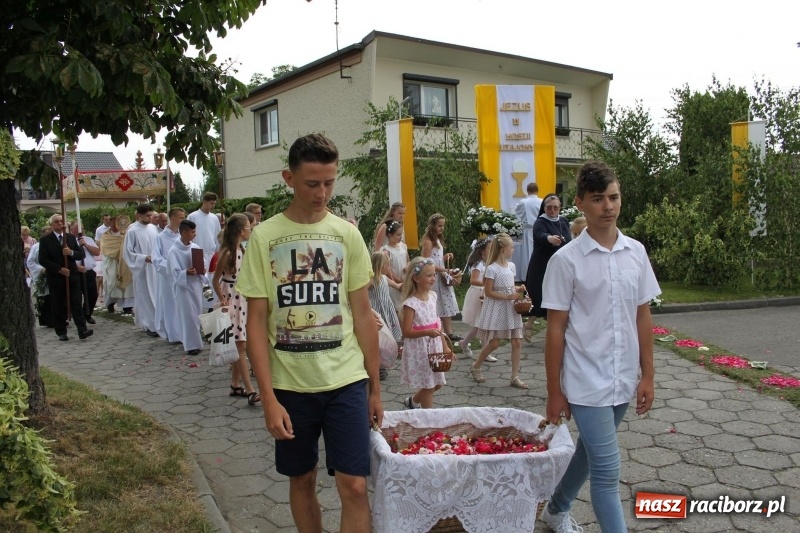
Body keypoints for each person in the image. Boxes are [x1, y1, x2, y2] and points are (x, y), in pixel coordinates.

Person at [236, 133, 381, 533]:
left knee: (353, 485)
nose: (322, 193)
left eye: (330, 182)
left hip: (346, 379)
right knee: (302, 479)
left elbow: (363, 314)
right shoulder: (264, 237)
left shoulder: (346, 234)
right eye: (312, 183)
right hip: (290, 385)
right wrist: (267, 399)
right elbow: (256, 322)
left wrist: (374, 387)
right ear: (289, 177)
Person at [540, 160, 660, 533]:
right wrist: (554, 391)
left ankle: (556, 508)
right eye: (598, 199)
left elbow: (642, 316)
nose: (608, 206)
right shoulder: (565, 261)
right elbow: (555, 330)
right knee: (607, 472)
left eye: (614, 197)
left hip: (623, 378)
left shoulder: (635, 253)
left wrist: (648, 375)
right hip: (584, 381)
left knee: (589, 454)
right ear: (580, 203)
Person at [212, 213, 260, 405]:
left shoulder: (241, 249)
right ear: (241, 231)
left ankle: (235, 384)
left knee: (240, 344)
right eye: (249, 227)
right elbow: (216, 280)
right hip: (232, 298)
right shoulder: (228, 253)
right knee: (240, 345)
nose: (251, 230)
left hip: (243, 297)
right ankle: (250, 390)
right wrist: (223, 298)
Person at [470, 233, 527, 388]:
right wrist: (507, 296)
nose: (513, 250)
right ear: (503, 250)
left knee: (517, 341)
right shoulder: (492, 268)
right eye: (512, 247)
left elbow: (509, 285)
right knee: (495, 343)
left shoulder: (511, 266)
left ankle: (515, 377)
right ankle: (476, 365)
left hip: (511, 308)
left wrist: (517, 288)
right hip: (497, 307)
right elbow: (488, 292)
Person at [399, 257, 448, 409]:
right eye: (429, 275)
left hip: (435, 346)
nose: (433, 278)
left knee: (437, 384)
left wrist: (445, 347)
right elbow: (406, 332)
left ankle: (413, 402)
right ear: (416, 278)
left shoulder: (433, 297)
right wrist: (426, 332)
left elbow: (438, 324)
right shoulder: (411, 303)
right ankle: (428, 419)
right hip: (420, 349)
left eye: (434, 275)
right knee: (428, 386)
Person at [37, 214, 93, 341]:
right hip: (56, 277)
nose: (59, 223)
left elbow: (81, 254)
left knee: (76, 302)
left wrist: (71, 252)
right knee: (58, 305)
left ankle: (82, 330)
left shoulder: (70, 238)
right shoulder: (46, 240)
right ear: (52, 224)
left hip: (72, 276)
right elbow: (43, 259)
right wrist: (59, 269)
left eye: (61, 221)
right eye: (56, 221)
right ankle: (61, 331)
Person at [524, 193, 571, 328]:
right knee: (542, 296)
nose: (552, 211)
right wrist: (550, 239)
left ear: (560, 208)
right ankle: (553, 330)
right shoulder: (540, 221)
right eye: (549, 207)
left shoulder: (563, 221)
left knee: (557, 295)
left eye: (555, 208)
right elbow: (540, 235)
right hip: (542, 265)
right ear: (544, 208)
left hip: (560, 266)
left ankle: (530, 326)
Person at [168, 220, 206, 355]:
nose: (195, 234)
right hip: (183, 288)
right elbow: (173, 273)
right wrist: (185, 273)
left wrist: (202, 269)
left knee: (196, 315)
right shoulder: (174, 251)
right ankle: (191, 346)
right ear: (184, 233)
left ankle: (197, 342)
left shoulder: (195, 247)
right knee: (187, 316)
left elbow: (202, 264)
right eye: (192, 232)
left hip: (195, 285)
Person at [421, 213, 461, 340]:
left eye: (443, 226)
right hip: (434, 277)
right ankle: (438, 330)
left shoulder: (437, 240)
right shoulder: (428, 241)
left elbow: (436, 259)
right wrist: (445, 269)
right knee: (436, 303)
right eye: (439, 226)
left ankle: (449, 332)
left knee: (446, 303)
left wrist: (445, 257)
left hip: (441, 276)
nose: (441, 228)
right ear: (432, 226)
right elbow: (427, 262)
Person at [123, 204, 160, 336]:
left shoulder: (153, 229)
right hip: (142, 269)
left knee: (155, 295)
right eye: (147, 216)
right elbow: (128, 252)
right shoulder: (132, 231)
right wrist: (143, 258)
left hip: (154, 268)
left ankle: (157, 323)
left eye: (151, 215)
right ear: (139, 215)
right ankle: (149, 325)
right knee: (145, 296)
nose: (150, 218)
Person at [458, 237, 496, 362]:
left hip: (485, 293)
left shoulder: (488, 262)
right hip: (478, 293)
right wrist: (487, 283)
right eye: (490, 248)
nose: (492, 251)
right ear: (482, 251)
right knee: (481, 324)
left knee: (484, 324)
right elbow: (473, 280)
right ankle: (468, 344)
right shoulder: (478, 263)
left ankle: (467, 344)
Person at [152, 207, 185, 341]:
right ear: (173, 218)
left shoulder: (183, 236)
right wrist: (172, 268)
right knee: (170, 304)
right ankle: (173, 334)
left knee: (182, 305)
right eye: (181, 218)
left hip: (183, 276)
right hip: (167, 277)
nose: (184, 220)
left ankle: (184, 332)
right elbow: (156, 258)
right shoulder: (160, 237)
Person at [101, 215, 135, 315]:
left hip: (125, 263)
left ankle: (127, 306)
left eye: (119, 223)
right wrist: (118, 252)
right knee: (112, 283)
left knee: (128, 284)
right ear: (110, 223)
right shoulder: (106, 235)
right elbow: (106, 248)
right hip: (113, 263)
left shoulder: (127, 234)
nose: (118, 225)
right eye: (115, 222)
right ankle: (110, 303)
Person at [368, 251, 402, 345]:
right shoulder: (371, 280)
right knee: (381, 331)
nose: (388, 268)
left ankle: (390, 344)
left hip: (387, 308)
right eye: (387, 265)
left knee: (389, 329)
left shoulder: (384, 278)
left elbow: (397, 286)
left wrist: (408, 284)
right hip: (377, 309)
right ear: (381, 265)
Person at [69, 221, 100, 324]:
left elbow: (97, 252)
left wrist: (86, 245)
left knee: (92, 294)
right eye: (77, 228)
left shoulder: (88, 239)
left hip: (88, 272)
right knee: (77, 296)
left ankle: (87, 314)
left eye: (81, 228)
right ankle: (79, 317)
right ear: (71, 229)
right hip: (76, 272)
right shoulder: (68, 240)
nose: (80, 231)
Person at [514, 182, 542, 282]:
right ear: (537, 190)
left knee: (527, 253)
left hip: (528, 229)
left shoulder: (523, 202)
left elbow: (518, 213)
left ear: (527, 191)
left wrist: (527, 220)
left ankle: (527, 276)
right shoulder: (542, 202)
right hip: (540, 230)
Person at [380, 220, 409, 315]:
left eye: (401, 234)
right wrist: (399, 281)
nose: (401, 237)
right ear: (390, 235)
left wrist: (408, 267)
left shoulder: (403, 247)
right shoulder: (386, 250)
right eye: (398, 235)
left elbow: (408, 260)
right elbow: (388, 270)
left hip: (405, 280)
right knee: (397, 309)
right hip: (394, 283)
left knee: (406, 307)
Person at [187, 192, 221, 271]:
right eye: (211, 203)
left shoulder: (214, 218)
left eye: (214, 203)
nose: (213, 206)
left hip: (212, 254)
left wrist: (218, 252)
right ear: (204, 202)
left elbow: (218, 236)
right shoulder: (193, 216)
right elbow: (188, 236)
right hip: (198, 254)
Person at [27, 226, 53, 327]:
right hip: (41, 274)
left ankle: (57, 318)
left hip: (53, 273)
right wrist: (41, 269)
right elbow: (30, 261)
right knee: (44, 297)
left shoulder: (55, 245)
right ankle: (46, 320)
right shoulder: (36, 247)